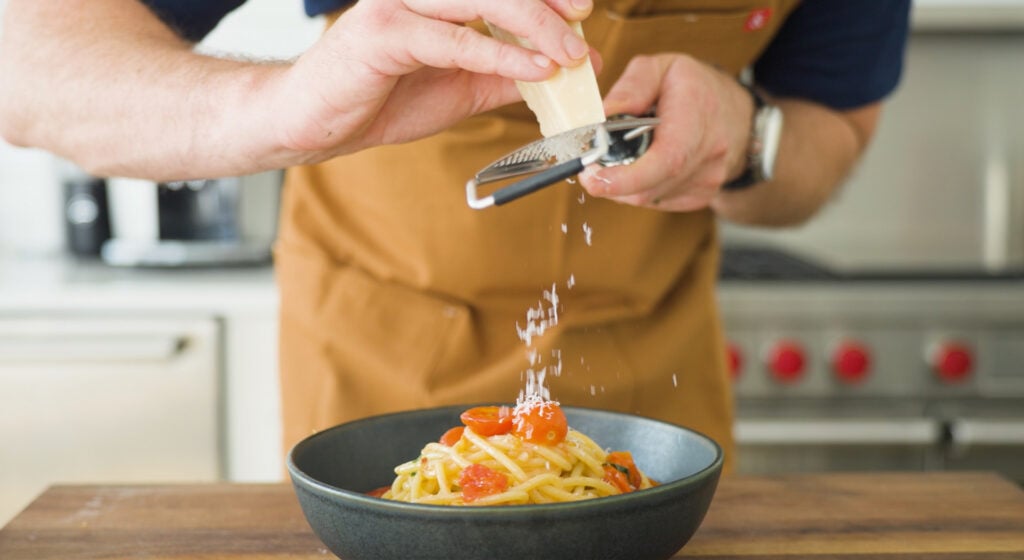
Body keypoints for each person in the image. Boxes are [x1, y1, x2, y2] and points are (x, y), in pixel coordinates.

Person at [0, 0, 911, 472]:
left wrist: (749, 139)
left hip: (654, 393)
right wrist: (280, 103)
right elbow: (25, 58)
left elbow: (833, 134)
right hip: (377, 373)